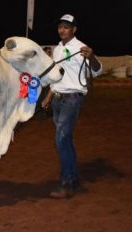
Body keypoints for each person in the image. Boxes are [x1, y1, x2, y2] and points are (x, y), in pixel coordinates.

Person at [41, 14, 102, 199]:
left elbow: (97, 70)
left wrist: (91, 57)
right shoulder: (58, 49)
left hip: (72, 99)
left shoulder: (81, 48)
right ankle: (73, 177)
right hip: (58, 99)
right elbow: (57, 75)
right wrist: (49, 97)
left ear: (74, 29)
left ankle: (67, 183)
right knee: (65, 140)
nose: (62, 30)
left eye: (66, 27)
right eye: (60, 26)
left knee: (61, 139)